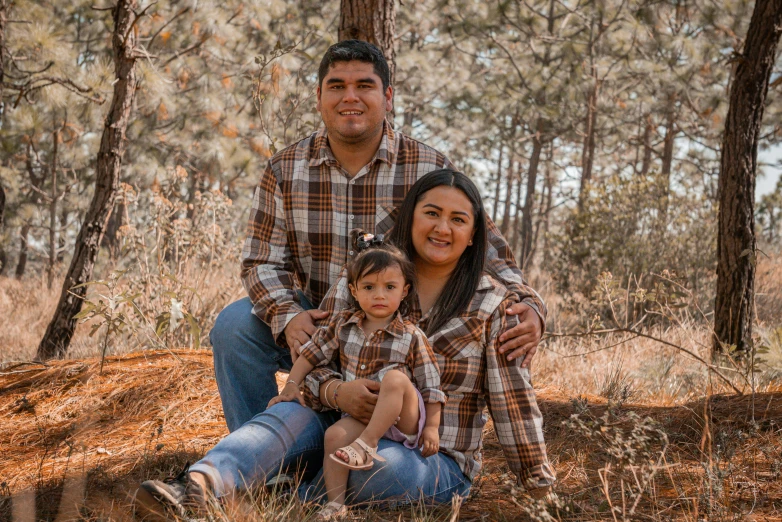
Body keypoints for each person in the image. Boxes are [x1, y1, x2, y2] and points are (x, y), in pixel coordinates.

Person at [133, 169, 555, 520]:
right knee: (283, 418)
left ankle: (284, 496)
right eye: (431, 213)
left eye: (458, 219)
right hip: (338, 426)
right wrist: (335, 391)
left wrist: (539, 487)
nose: (443, 228)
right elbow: (315, 360)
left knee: (380, 467)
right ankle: (198, 485)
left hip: (430, 455)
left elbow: (513, 404)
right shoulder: (365, 279)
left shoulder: (495, 305)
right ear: (410, 219)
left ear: (474, 233)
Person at [210, 39, 547, 435]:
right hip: (316, 321)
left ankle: (370, 444)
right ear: (319, 96)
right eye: (336, 86)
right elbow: (262, 261)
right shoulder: (286, 168)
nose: (349, 97)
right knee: (233, 326)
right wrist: (287, 316)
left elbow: (485, 251)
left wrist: (531, 306)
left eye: (364, 86)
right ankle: (258, 459)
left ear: (387, 96)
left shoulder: (427, 166)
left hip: (392, 327)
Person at [269, 233, 445, 519]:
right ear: (353, 290)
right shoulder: (342, 326)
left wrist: (432, 428)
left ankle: (366, 445)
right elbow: (310, 355)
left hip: (404, 417)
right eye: (369, 286)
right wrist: (291, 384)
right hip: (363, 415)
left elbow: (431, 386)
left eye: (389, 287)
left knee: (395, 379)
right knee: (335, 434)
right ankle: (335, 505)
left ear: (404, 290)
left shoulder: (412, 335)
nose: (379, 295)